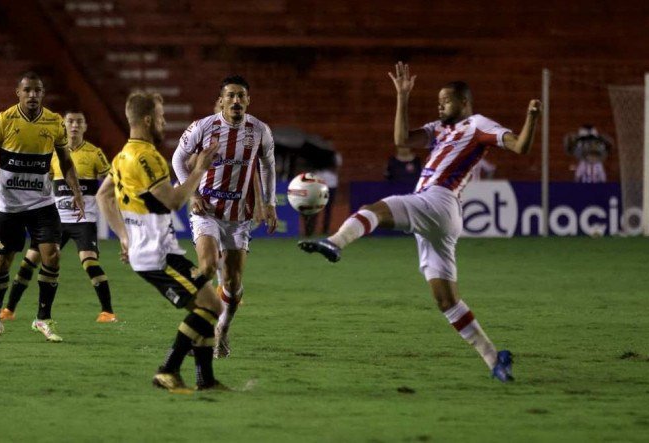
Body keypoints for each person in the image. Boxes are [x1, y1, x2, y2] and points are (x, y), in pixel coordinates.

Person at [299, 62, 542, 382]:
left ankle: (335, 242)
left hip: (438, 200)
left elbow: (520, 146)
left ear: (465, 102)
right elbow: (402, 140)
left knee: (376, 209)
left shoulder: (477, 124)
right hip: (441, 216)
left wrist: (532, 117)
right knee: (446, 300)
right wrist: (402, 96)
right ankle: (495, 359)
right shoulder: (440, 129)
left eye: (447, 100)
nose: (440, 104)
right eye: (439, 100)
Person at [96, 90, 225, 391]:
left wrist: (125, 238)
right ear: (147, 119)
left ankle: (205, 381)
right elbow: (172, 201)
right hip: (158, 255)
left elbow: (103, 197)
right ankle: (167, 371)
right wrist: (198, 171)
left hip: (148, 252)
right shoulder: (147, 157)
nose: (164, 121)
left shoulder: (121, 157)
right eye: (162, 116)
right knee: (210, 308)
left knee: (208, 305)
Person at [172, 75, 278, 359]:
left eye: (241, 96)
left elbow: (268, 166)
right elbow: (177, 160)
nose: (236, 101)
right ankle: (197, 330)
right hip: (207, 210)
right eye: (230, 95)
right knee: (206, 268)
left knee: (232, 282)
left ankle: (222, 329)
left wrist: (269, 203)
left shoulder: (259, 130)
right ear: (222, 100)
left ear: (248, 100)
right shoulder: (203, 127)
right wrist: (192, 193)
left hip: (239, 216)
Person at [0, 71, 84, 343]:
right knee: (2, 263)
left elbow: (66, 161)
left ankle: (43, 318)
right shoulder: (4, 120)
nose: (33, 95)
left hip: (42, 204)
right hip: (9, 207)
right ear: (18, 93)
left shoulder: (54, 122)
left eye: (38, 90)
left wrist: (76, 192)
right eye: (28, 90)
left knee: (53, 256)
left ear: (43, 93)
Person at [0, 111, 117, 323]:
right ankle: (9, 309)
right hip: (55, 220)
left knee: (89, 261)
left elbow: (110, 180)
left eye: (79, 122)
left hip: (84, 220)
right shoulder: (53, 154)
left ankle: (107, 312)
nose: (74, 126)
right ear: (63, 125)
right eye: (70, 121)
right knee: (30, 260)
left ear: (85, 127)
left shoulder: (94, 153)